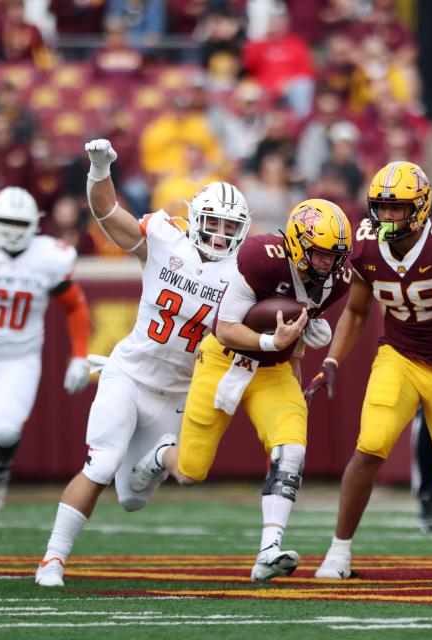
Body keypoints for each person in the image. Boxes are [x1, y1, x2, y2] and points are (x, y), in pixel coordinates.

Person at [35, 140, 251, 587]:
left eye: (230, 227)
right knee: (102, 463)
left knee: (137, 498)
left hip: (178, 391)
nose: (219, 236)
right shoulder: (164, 238)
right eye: (212, 224)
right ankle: (53, 560)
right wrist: (99, 170)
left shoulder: (244, 277)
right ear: (194, 219)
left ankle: (154, 458)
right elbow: (106, 212)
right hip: (129, 374)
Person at [132, 199, 353, 583]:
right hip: (223, 359)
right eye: (319, 254)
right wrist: (273, 342)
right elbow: (227, 328)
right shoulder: (261, 256)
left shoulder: (338, 280)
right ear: (298, 243)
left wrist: (293, 382)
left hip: (273, 371)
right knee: (190, 472)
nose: (326, 264)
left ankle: (269, 550)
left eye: (334, 256)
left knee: (292, 447)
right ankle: (162, 455)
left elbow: (294, 343)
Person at [307, 160, 432, 580]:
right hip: (400, 356)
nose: (386, 216)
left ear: (420, 208)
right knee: (370, 445)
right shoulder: (365, 245)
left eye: (396, 208)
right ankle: (339, 551)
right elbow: (355, 311)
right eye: (381, 207)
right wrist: (331, 360)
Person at [0, 186, 92, 539]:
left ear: (35, 224)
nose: (10, 228)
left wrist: (80, 355)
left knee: (6, 428)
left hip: (18, 359)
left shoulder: (49, 256)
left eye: (18, 222)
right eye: (5, 220)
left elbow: (75, 306)